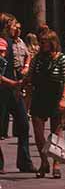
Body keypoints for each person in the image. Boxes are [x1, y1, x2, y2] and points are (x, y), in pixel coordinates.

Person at [24, 29, 65, 178]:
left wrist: (64, 99)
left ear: (52, 43)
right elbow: (30, 76)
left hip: (55, 96)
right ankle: (44, 162)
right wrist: (22, 84)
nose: (41, 45)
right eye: (40, 42)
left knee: (57, 133)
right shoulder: (37, 59)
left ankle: (57, 165)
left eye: (44, 42)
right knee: (38, 133)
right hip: (39, 96)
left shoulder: (63, 59)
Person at [0, 17, 32, 174]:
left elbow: (27, 55)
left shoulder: (14, 42)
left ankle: (24, 161)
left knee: (24, 124)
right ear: (6, 27)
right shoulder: (3, 43)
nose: (16, 28)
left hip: (13, 90)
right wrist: (12, 83)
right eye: (13, 26)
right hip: (4, 89)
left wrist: (25, 68)